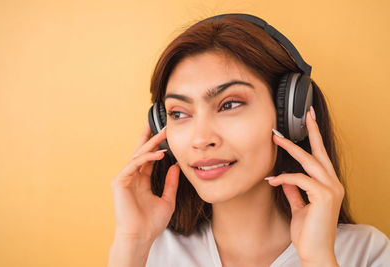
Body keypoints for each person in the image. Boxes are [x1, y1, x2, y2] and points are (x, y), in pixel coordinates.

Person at [108, 14, 390, 267]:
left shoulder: (365, 253)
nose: (200, 139)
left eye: (229, 105)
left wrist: (318, 259)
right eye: (179, 113)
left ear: (290, 115)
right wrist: (132, 245)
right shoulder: (149, 253)